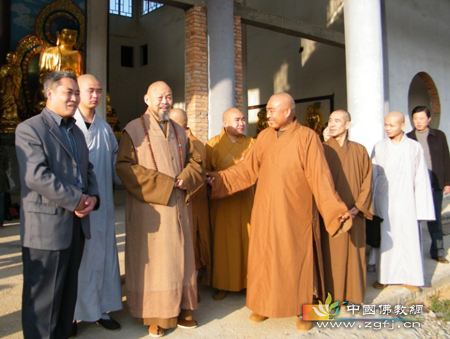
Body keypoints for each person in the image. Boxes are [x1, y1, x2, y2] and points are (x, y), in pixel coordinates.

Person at [207, 92, 352, 331]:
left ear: (288, 111)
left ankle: (304, 311)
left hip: (295, 211)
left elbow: (320, 177)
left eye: (273, 110)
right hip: (265, 210)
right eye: (268, 110)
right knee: (265, 260)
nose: (268, 115)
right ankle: (264, 304)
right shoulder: (264, 136)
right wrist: (219, 179)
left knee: (296, 261)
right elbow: (247, 169)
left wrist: (335, 210)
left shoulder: (307, 137)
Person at [116, 81, 204, 338]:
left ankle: (185, 308)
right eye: (159, 97)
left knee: (183, 258)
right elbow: (124, 167)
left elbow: (195, 161)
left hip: (179, 205)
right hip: (151, 207)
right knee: (157, 262)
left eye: (169, 97)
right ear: (146, 99)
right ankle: (155, 315)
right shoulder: (133, 130)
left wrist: (186, 178)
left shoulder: (180, 130)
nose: (165, 101)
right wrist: (165, 184)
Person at [15, 71, 99, 339]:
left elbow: (87, 169)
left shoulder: (75, 130)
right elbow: (36, 176)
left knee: (65, 298)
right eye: (69, 92)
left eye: (77, 92)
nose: (75, 98)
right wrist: (76, 199)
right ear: (49, 93)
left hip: (75, 227)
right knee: (43, 304)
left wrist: (93, 197)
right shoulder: (30, 129)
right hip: (45, 230)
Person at [73, 74, 122, 331]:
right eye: (90, 90)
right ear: (77, 92)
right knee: (78, 260)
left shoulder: (105, 129)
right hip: (76, 207)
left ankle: (101, 309)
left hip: (103, 205)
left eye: (99, 91)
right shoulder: (68, 126)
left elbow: (116, 168)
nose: (95, 95)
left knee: (103, 256)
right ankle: (74, 312)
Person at [372, 111, 435, 291]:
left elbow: (421, 178)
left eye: (392, 125)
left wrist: (421, 207)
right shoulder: (379, 146)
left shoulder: (414, 147)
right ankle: (384, 276)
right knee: (385, 239)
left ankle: (411, 278)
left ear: (402, 126)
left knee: (408, 239)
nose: (388, 128)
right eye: (385, 124)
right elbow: (372, 176)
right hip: (385, 201)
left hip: (407, 200)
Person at [321, 110, 373, 305]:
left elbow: (367, 182)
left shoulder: (360, 150)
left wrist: (358, 207)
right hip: (331, 213)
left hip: (355, 212)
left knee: (354, 253)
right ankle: (332, 297)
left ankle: (353, 295)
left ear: (348, 124)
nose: (332, 124)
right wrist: (333, 209)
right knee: (332, 254)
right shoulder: (323, 149)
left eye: (337, 121)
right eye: (330, 121)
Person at [206, 107, 255, 300]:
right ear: (225, 124)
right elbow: (205, 172)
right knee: (222, 243)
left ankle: (248, 282)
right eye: (237, 120)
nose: (242, 123)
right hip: (222, 202)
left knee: (248, 240)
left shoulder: (253, 143)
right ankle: (222, 283)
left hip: (246, 200)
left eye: (243, 119)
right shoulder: (212, 145)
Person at [169, 108, 212, 286]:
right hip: (177, 201)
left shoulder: (194, 144)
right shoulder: (173, 141)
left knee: (193, 243)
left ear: (181, 125)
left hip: (194, 201)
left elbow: (197, 172)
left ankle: (193, 284)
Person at [407, 106, 450, 264]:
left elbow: (446, 158)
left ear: (429, 119)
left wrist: (447, 182)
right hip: (415, 185)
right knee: (414, 220)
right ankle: (414, 252)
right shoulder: (408, 138)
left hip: (435, 183)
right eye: (415, 119)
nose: (418, 122)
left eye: (421, 118)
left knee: (435, 219)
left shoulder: (438, 136)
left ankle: (437, 252)